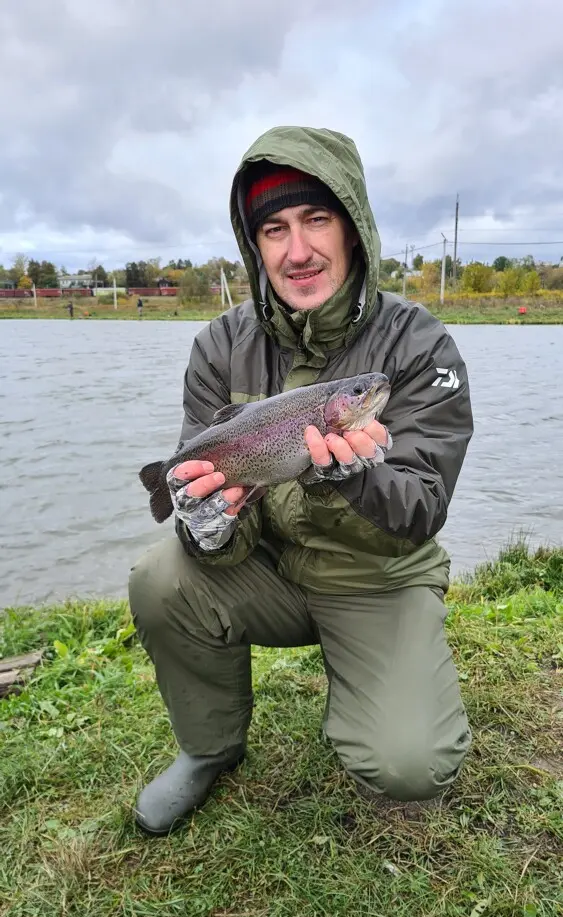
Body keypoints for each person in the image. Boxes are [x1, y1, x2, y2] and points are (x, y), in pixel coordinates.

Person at [129, 125, 474, 836]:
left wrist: (357, 478)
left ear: (353, 228)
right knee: (159, 574)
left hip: (378, 575)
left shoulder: (418, 346)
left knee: (411, 762)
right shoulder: (218, 347)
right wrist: (208, 521)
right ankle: (209, 748)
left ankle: (369, 691)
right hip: (272, 568)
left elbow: (423, 509)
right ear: (253, 245)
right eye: (274, 228)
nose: (297, 250)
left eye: (317, 219)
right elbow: (211, 478)